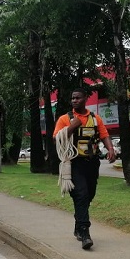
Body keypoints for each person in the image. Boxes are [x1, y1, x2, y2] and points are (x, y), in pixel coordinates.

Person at [53, 87, 116, 250]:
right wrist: (73, 126)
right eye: (73, 98)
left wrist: (110, 149)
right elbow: (56, 139)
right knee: (81, 194)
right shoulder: (65, 119)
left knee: (90, 194)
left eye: (78, 98)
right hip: (74, 163)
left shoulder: (95, 119)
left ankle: (78, 222)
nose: (74, 100)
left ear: (85, 99)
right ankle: (84, 232)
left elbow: (104, 135)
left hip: (92, 162)